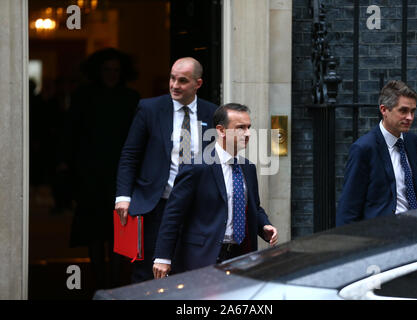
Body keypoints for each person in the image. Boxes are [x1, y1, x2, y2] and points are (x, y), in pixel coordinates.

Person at [115, 57, 218, 283]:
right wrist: (123, 196)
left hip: (195, 208)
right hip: (156, 205)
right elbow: (130, 154)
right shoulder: (150, 108)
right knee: (147, 271)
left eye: (182, 80)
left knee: (189, 270)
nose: (174, 85)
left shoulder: (212, 113)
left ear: (197, 84)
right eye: (172, 78)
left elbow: (217, 163)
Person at [152, 103, 278, 279]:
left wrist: (264, 225)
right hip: (203, 257)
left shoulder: (248, 167)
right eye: (240, 128)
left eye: (249, 127)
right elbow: (173, 214)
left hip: (241, 257)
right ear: (221, 130)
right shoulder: (196, 167)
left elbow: (254, 207)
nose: (248, 133)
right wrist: (163, 257)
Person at [65, 48, 141, 289]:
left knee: (120, 228)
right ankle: (100, 281)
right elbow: (71, 134)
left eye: (116, 70)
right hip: (91, 173)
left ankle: (117, 281)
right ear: (98, 71)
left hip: (121, 173)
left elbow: (139, 137)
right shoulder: (83, 96)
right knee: (94, 231)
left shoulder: (131, 98)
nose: (112, 74)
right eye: (107, 70)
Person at [336, 80, 417, 226]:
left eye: (412, 111)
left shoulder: (413, 142)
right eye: (403, 111)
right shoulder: (364, 149)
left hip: (416, 233)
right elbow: (349, 207)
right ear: (384, 110)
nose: (410, 118)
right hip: (382, 238)